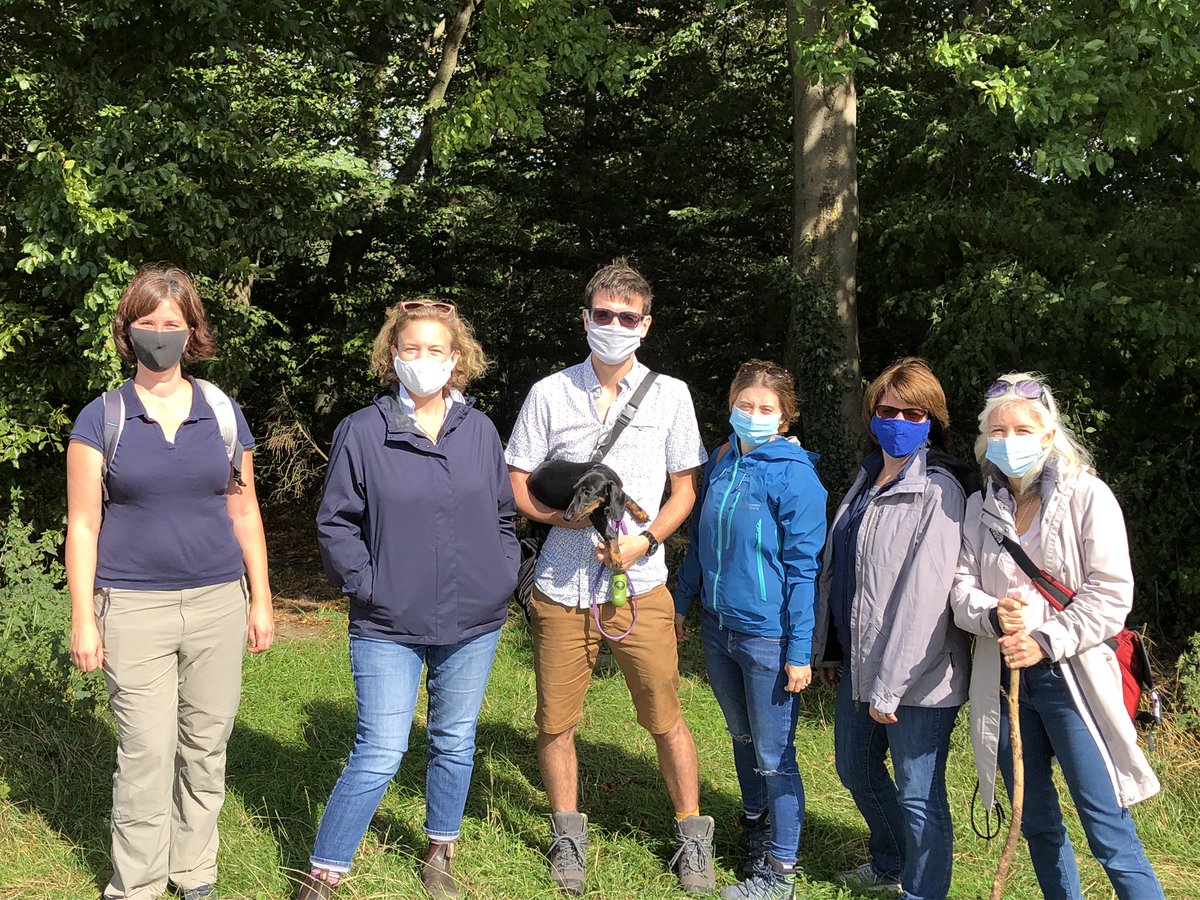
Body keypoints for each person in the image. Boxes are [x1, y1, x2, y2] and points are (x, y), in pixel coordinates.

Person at [295, 299, 519, 900]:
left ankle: (441, 847)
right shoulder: (363, 431)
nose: (423, 361)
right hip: (387, 622)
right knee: (380, 748)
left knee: (454, 740)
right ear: (392, 356)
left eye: (436, 351)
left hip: (474, 619)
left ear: (457, 359)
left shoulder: (479, 431)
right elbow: (336, 523)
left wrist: (502, 574)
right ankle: (325, 871)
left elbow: (502, 514)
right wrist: (366, 586)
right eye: (410, 350)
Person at [505, 258, 714, 895]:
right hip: (562, 587)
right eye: (604, 315)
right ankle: (568, 836)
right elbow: (518, 481)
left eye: (627, 317)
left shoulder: (671, 394)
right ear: (586, 319)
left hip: (641, 586)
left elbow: (685, 488)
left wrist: (647, 540)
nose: (614, 326)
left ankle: (691, 837)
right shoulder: (549, 392)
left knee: (666, 717)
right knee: (556, 722)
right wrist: (562, 522)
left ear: (645, 325)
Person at [66, 265, 274, 900]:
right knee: (146, 757)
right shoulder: (102, 417)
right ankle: (136, 885)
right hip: (131, 607)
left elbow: (245, 510)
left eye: (173, 324)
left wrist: (261, 600)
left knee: (206, 750)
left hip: (217, 601)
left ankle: (194, 874)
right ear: (128, 331)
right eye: (148, 323)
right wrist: (83, 616)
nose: (160, 334)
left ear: (193, 331)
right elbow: (81, 525)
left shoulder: (221, 410)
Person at [951, 372, 1163, 900]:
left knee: (1106, 828)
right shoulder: (982, 508)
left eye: (1023, 428)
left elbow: (1111, 595)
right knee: (1038, 824)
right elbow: (961, 591)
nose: (1010, 440)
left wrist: (1045, 640)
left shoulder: (1088, 496)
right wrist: (993, 614)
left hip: (1073, 682)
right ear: (984, 442)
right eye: (997, 431)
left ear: (1048, 434)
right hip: (1005, 682)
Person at [811, 357, 970, 900]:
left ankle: (922, 890)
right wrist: (830, 650)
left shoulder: (940, 490)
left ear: (933, 420)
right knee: (853, 769)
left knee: (919, 793)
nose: (897, 420)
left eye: (912, 412)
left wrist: (891, 684)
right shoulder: (865, 475)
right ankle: (890, 860)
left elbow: (925, 600)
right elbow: (843, 570)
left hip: (919, 677)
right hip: (861, 661)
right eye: (887, 409)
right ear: (871, 413)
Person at [674, 360, 828, 900]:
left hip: (769, 639)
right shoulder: (722, 460)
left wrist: (799, 651)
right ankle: (754, 826)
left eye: (767, 409)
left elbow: (806, 570)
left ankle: (779, 875)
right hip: (718, 630)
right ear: (731, 404)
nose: (754, 415)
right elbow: (699, 539)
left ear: (785, 417)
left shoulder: (796, 477)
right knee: (741, 738)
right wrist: (681, 603)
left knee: (774, 755)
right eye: (746, 405)